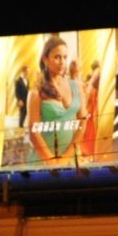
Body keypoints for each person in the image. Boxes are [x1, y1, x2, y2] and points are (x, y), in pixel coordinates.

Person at [26, 36, 85, 164]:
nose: (62, 62)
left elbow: (83, 123)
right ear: (45, 59)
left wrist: (66, 157)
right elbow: (34, 133)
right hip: (44, 159)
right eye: (57, 57)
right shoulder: (36, 91)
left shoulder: (76, 86)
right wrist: (52, 161)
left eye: (65, 57)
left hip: (71, 156)